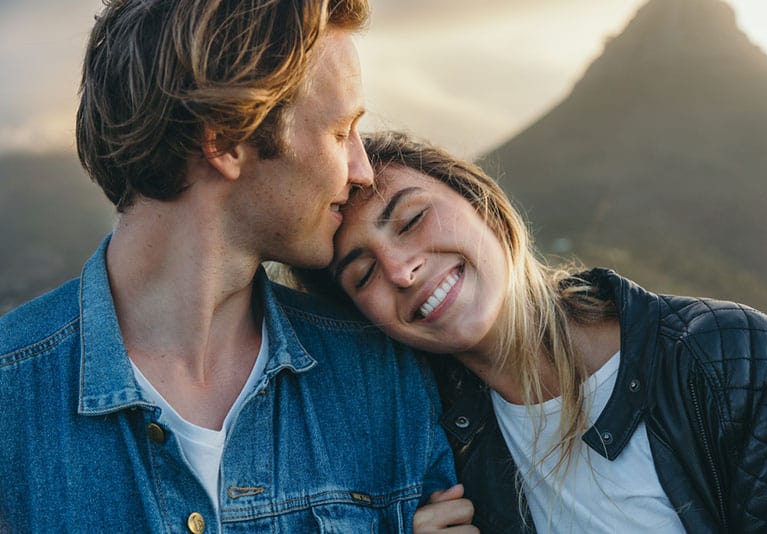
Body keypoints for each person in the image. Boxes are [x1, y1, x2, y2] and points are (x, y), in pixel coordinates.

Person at [0, 3, 458, 532]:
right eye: (339, 133)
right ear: (223, 140)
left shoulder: (382, 377)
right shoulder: (11, 402)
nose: (362, 171)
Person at [300, 130, 767, 533]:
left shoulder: (732, 353)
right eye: (362, 274)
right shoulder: (426, 452)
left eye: (412, 220)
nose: (400, 270)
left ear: (480, 202)